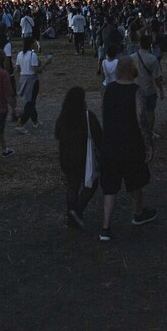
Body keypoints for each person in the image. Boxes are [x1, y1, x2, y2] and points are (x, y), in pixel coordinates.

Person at [98, 57, 157, 242]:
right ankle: (138, 213)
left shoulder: (108, 90)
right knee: (135, 181)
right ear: (133, 70)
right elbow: (141, 118)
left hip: (110, 145)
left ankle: (105, 227)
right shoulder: (136, 91)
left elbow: (104, 114)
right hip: (131, 144)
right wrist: (148, 144)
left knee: (110, 188)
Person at [55, 86, 103, 229]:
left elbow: (57, 135)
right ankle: (77, 211)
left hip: (66, 158)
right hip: (83, 157)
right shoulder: (88, 117)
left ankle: (71, 218)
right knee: (91, 184)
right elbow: (99, 137)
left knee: (72, 186)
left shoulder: (63, 117)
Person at [15, 36, 51, 134]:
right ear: (31, 44)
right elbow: (36, 70)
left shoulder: (19, 54)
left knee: (31, 100)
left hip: (23, 79)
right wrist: (45, 64)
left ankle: (35, 120)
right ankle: (21, 123)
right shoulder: (32, 55)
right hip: (32, 80)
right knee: (30, 103)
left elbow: (17, 69)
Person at [132, 34, 165, 134]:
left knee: (138, 111)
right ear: (150, 44)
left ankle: (138, 131)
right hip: (149, 89)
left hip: (135, 89)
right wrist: (161, 89)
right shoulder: (152, 59)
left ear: (139, 44)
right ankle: (149, 132)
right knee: (150, 111)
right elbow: (156, 78)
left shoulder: (132, 57)